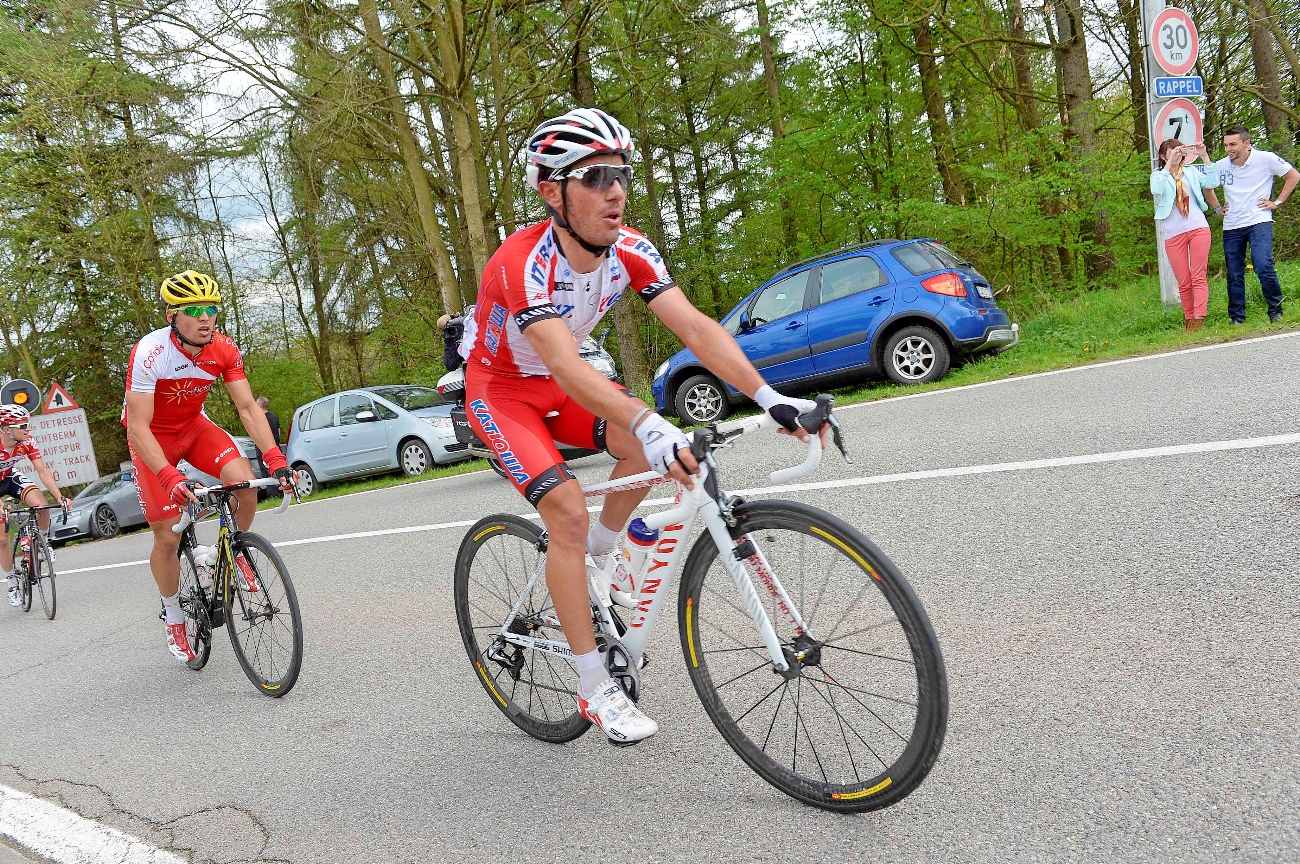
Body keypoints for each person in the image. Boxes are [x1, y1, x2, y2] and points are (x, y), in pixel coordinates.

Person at [459, 108, 827, 746]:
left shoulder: (630, 249)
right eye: (596, 177)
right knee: (569, 512)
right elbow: (567, 365)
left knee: (642, 451)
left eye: (622, 175)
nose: (616, 191)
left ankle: (599, 562)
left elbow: (696, 328)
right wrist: (651, 419)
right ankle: (594, 685)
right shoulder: (523, 263)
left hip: (559, 380)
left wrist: (771, 397)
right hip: (502, 392)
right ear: (552, 191)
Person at [123, 271, 295, 662]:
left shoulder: (224, 348)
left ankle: (229, 552)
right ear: (172, 316)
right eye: (195, 310)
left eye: (212, 309)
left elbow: (249, 409)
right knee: (167, 537)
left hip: (194, 429)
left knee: (246, 484)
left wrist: (277, 461)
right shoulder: (151, 352)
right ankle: (173, 615)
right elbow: (137, 426)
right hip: (153, 438)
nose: (206, 318)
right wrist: (167, 475)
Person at [1213, 125, 1300, 324]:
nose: (1229, 149)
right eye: (1226, 145)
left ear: (1246, 143)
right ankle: (1237, 318)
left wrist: (1276, 202)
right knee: (1234, 273)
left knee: (1262, 264)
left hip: (1259, 220)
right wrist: (1217, 208)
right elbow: (1208, 186)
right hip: (1232, 224)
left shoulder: (1266, 158)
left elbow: (1293, 176)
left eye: (1233, 144)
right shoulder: (1221, 165)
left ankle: (1275, 310)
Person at [0, 404, 71, 606]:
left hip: (9, 477)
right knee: (2, 538)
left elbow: (42, 471)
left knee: (42, 506)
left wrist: (59, 497)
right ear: (7, 428)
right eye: (23, 425)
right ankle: (12, 583)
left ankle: (43, 542)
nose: (28, 429)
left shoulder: (27, 441)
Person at [1151, 139, 1221, 332]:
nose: (1177, 154)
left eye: (1179, 151)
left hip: (1198, 227)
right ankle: (1189, 319)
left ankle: (1199, 318)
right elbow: (1156, 190)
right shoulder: (1159, 176)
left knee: (1198, 276)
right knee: (1184, 280)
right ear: (1164, 156)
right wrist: (1168, 166)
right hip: (1173, 233)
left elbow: (1213, 182)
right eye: (1172, 152)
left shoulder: (1191, 172)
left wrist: (1204, 156)